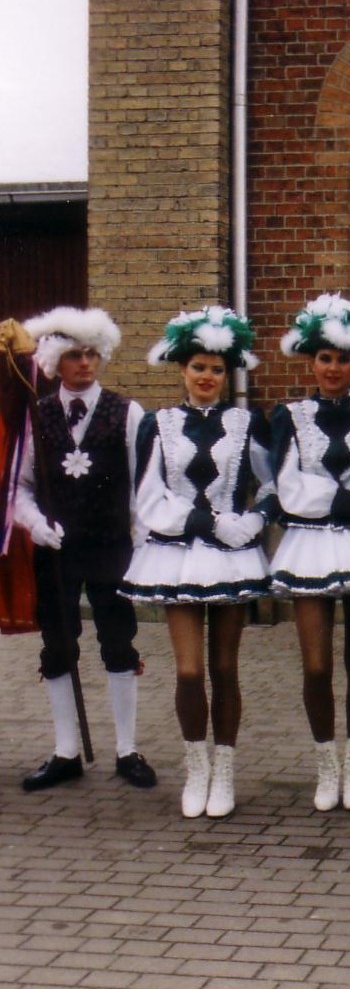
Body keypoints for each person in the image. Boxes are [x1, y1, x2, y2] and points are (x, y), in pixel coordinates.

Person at [122, 306, 273, 818]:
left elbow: (273, 483)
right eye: (197, 368)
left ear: (227, 373)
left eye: (216, 369)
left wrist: (255, 520)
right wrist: (207, 523)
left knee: (225, 668)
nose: (206, 377)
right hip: (178, 555)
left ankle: (225, 771)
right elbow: (148, 497)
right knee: (189, 671)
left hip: (232, 558)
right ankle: (197, 769)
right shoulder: (158, 424)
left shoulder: (247, 422)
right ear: (182, 369)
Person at [12, 307, 152, 791]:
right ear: (55, 361)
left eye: (92, 354)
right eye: (74, 355)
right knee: (58, 645)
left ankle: (127, 749)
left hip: (111, 546)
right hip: (56, 551)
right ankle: (65, 750)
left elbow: (142, 485)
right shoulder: (36, 414)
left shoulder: (127, 412)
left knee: (118, 641)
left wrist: (140, 540)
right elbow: (19, 486)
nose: (85, 364)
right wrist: (35, 524)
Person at [269, 295, 350, 812]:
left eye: (343, 359)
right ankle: (326, 766)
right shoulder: (289, 415)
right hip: (310, 546)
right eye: (324, 359)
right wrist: (346, 500)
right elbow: (287, 486)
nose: (333, 368)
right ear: (310, 362)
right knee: (316, 666)